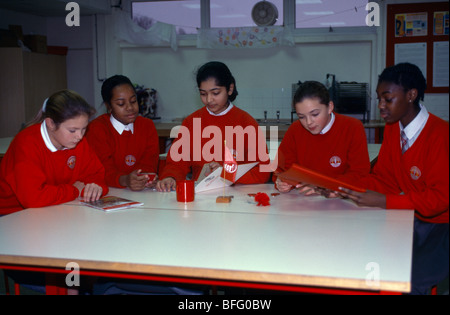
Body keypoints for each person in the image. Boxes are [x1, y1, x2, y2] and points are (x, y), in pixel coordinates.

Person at [339, 63, 449, 295]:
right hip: (408, 218)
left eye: (387, 99)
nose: (381, 106)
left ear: (411, 95)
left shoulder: (441, 135)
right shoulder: (393, 128)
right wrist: (344, 186)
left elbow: (438, 200)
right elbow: (385, 180)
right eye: (379, 98)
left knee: (410, 283)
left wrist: (383, 201)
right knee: (364, 260)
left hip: (440, 227)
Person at [156, 61, 270, 192]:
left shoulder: (246, 123)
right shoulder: (192, 122)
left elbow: (263, 171)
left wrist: (227, 173)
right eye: (203, 94)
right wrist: (171, 177)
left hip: (237, 197)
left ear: (230, 89)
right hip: (200, 195)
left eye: (215, 93)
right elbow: (176, 163)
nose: (209, 99)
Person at [0, 89, 108, 216]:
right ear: (50, 123)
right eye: (72, 130)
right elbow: (33, 198)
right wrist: (74, 191)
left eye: (84, 129)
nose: (79, 136)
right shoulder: (26, 143)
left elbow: (97, 175)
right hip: (12, 214)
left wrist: (94, 187)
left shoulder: (77, 141)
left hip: (54, 208)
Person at [274, 81, 370, 196]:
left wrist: (324, 187)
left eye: (315, 114)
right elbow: (281, 169)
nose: (309, 122)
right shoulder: (295, 130)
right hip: (303, 202)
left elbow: (359, 174)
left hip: (340, 202)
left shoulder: (352, 127)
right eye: (301, 117)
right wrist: (281, 182)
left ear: (330, 107)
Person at [85, 75, 160, 191]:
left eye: (133, 101)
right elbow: (103, 171)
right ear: (108, 106)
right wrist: (125, 180)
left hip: (141, 193)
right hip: (109, 191)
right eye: (121, 104)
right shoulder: (97, 129)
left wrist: (145, 178)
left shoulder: (147, 126)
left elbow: (149, 163)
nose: (130, 107)